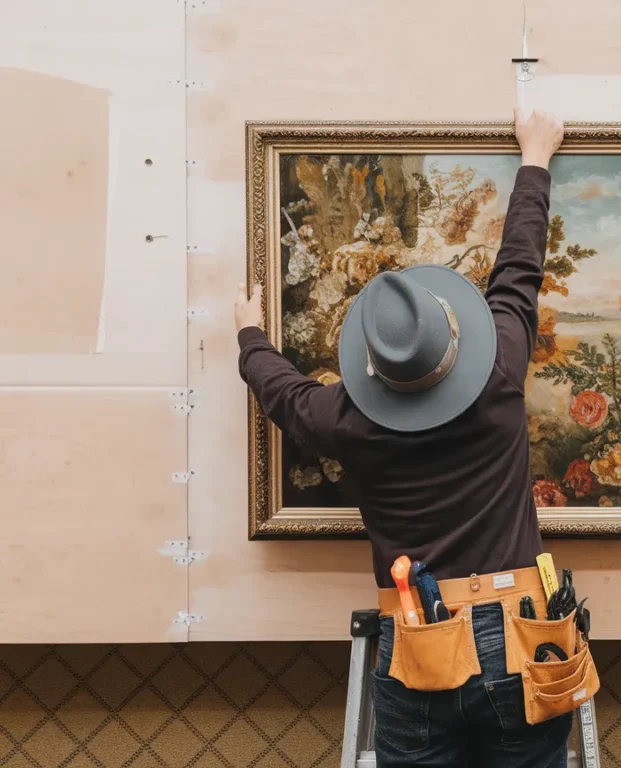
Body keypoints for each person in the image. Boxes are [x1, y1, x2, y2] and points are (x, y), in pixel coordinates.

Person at [235, 109, 576, 767]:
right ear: (456, 336)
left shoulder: (348, 420)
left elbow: (288, 397)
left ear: (369, 363)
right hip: (521, 635)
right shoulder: (499, 373)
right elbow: (518, 273)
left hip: (418, 639)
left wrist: (251, 336)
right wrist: (534, 159)